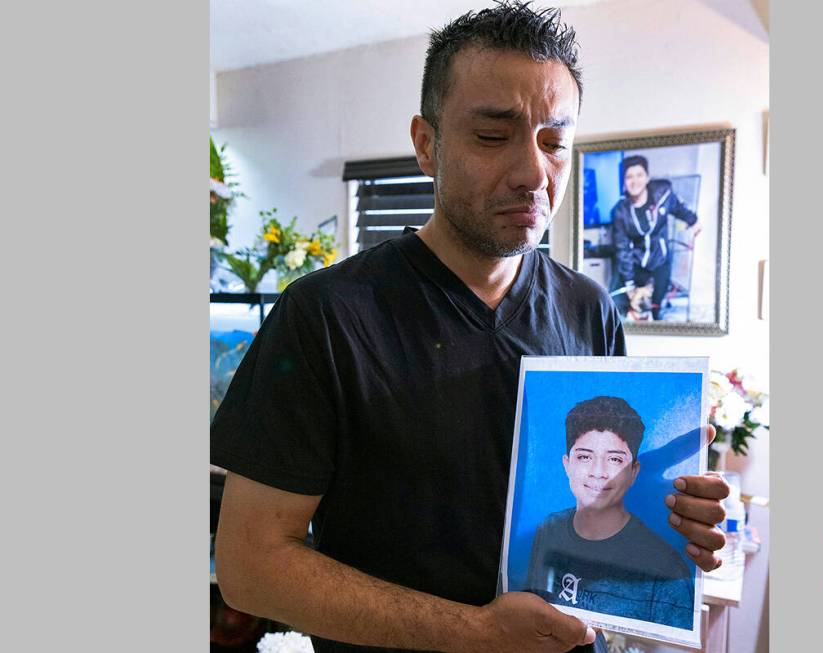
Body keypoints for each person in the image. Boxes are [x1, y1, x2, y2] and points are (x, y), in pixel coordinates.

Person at [211, 3, 728, 652]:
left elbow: (597, 531)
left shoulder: (588, 307)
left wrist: (674, 518)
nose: (533, 173)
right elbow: (249, 566)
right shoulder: (326, 316)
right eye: (493, 136)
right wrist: (478, 633)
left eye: (554, 143)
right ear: (426, 143)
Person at [526, 397, 693, 633]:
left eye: (615, 459)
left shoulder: (666, 568)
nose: (598, 472)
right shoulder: (549, 529)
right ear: (567, 464)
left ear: (634, 472)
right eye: (584, 456)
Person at [609, 155, 701, 321]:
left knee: (656, 308)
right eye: (629, 177)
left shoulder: (663, 195)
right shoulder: (620, 212)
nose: (634, 181)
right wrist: (630, 285)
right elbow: (622, 249)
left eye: (639, 175)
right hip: (636, 262)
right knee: (621, 304)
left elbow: (678, 208)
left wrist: (693, 221)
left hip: (660, 260)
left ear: (647, 177)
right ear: (623, 181)